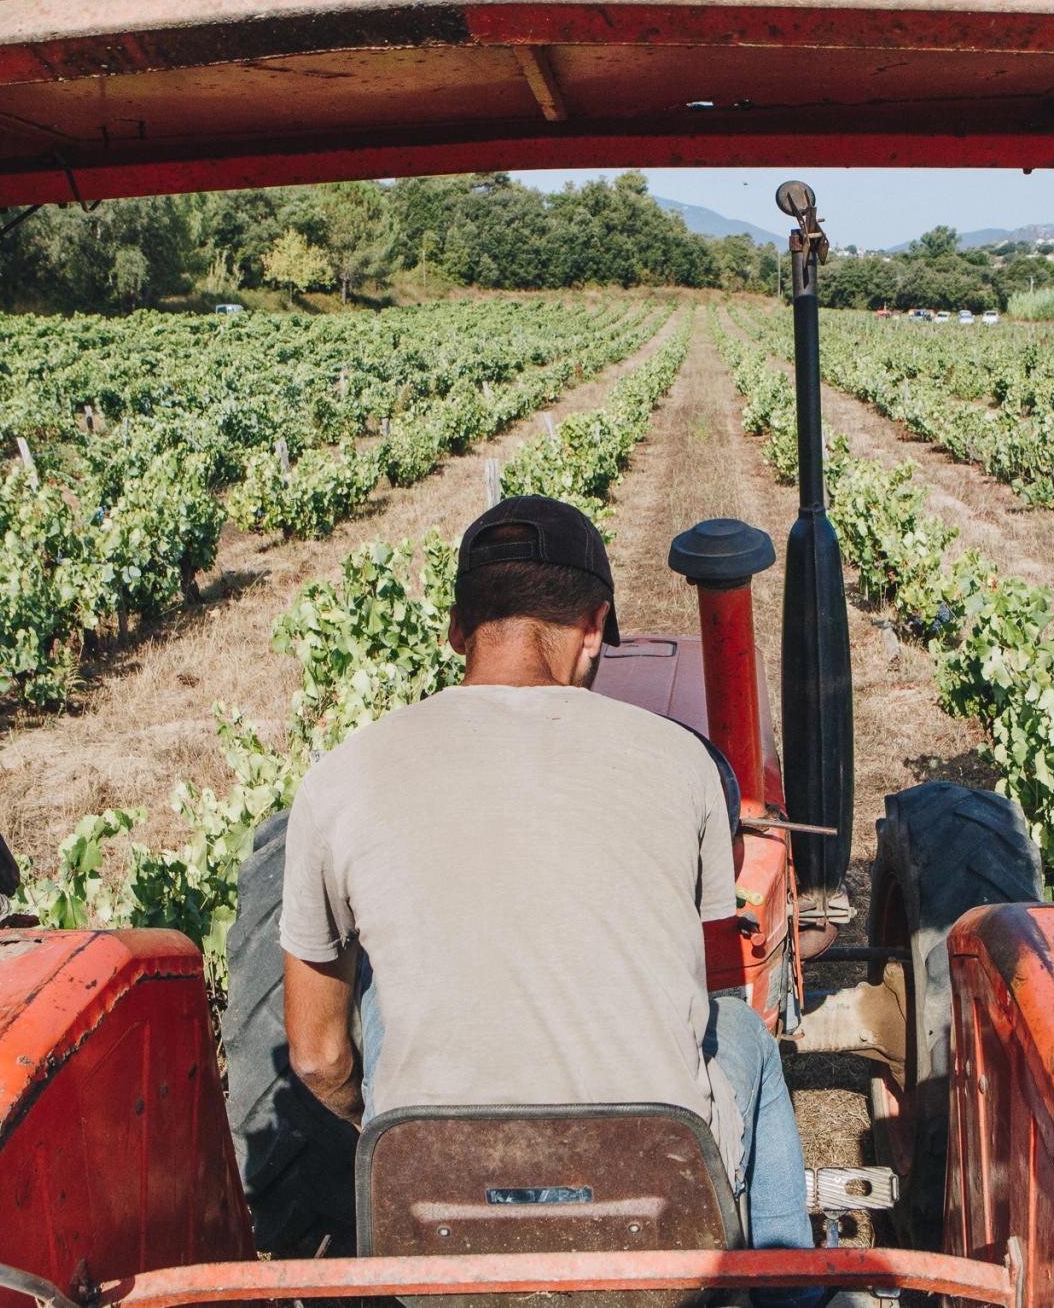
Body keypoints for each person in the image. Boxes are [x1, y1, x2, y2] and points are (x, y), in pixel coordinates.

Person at [279, 494, 815, 1267]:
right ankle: (790, 1288)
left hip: (435, 1207)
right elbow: (700, 983)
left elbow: (318, 1057)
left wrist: (408, 1143)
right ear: (595, 625)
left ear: (457, 627)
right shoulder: (682, 763)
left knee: (379, 1004)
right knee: (742, 1033)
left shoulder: (338, 779)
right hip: (653, 1201)